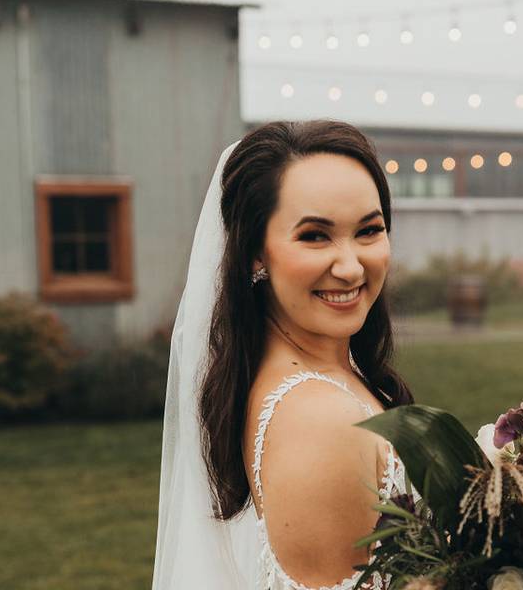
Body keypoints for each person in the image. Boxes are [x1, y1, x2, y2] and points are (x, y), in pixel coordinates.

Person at [152, 120, 416, 590]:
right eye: (315, 236)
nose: (351, 265)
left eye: (369, 231)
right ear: (256, 253)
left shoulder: (312, 371)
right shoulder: (321, 421)